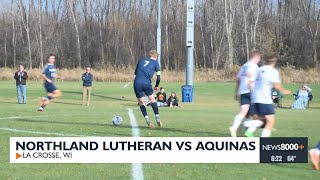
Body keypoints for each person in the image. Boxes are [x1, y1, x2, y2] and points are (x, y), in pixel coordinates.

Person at [244, 54, 291, 137]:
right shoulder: (273, 71)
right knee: (270, 121)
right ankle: (248, 124)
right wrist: (284, 91)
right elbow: (276, 86)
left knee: (262, 120)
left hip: (254, 98)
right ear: (275, 62)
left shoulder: (258, 69)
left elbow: (249, 84)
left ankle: (249, 130)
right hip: (264, 99)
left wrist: (254, 94)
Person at [229, 51, 261, 137]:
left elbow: (238, 80)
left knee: (243, 113)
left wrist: (236, 92)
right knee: (258, 117)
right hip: (251, 92)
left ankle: (234, 128)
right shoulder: (254, 66)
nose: (259, 60)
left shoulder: (244, 66)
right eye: (259, 59)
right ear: (256, 58)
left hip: (242, 92)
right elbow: (250, 79)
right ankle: (248, 132)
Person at [134, 50, 162, 128]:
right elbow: (158, 78)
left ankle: (147, 120)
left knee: (141, 103)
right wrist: (156, 85)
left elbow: (135, 73)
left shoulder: (141, 60)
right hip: (146, 83)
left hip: (137, 83)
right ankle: (157, 117)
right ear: (155, 57)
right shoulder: (156, 63)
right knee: (152, 100)